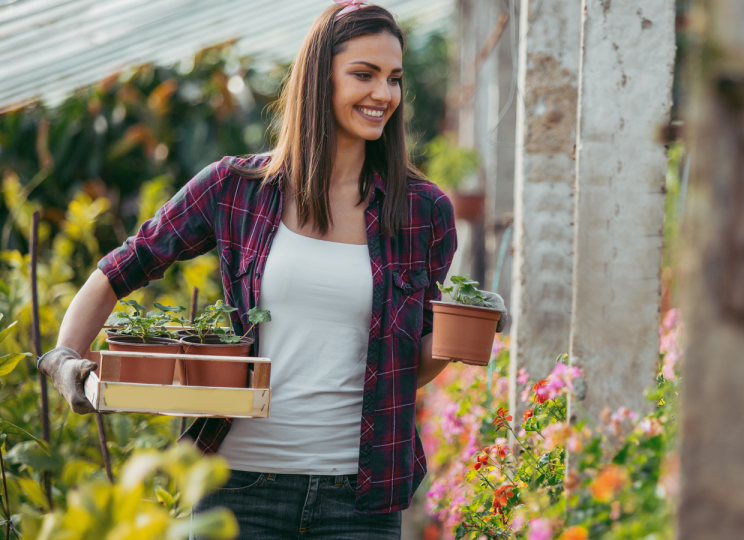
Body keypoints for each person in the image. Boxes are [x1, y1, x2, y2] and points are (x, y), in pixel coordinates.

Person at [36, 1, 507, 538]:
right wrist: (64, 356)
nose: (384, 94)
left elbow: (408, 363)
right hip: (237, 488)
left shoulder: (423, 211)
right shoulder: (235, 187)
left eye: (394, 79)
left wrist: (460, 331)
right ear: (317, 79)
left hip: (360, 498)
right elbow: (125, 265)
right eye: (363, 74)